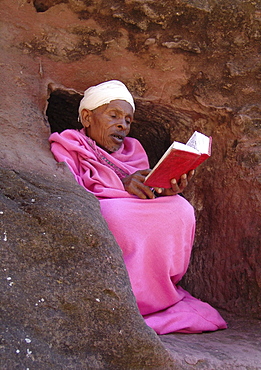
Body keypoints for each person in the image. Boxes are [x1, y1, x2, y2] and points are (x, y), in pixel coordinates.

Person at [49, 80, 227, 334]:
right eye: (114, 116)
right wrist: (122, 184)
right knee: (117, 214)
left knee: (180, 208)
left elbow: (145, 188)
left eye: (128, 120)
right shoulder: (68, 144)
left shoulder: (134, 149)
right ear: (87, 117)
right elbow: (69, 190)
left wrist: (165, 188)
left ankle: (159, 295)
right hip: (101, 207)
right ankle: (125, 297)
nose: (123, 124)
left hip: (134, 207)